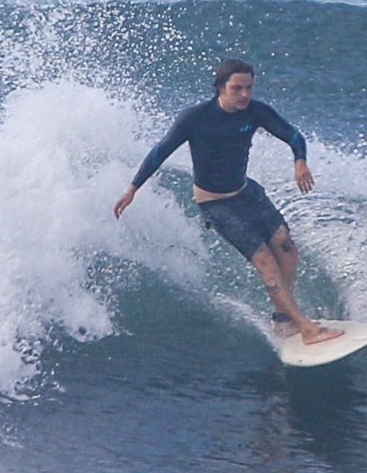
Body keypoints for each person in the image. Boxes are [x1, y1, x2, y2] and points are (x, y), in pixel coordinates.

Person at [113, 59, 342, 345]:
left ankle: (283, 321)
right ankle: (306, 328)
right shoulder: (195, 118)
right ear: (222, 87)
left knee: (287, 250)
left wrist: (300, 161)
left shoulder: (255, 112)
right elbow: (160, 151)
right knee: (266, 263)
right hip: (216, 203)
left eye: (249, 87)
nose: (245, 94)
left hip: (246, 192)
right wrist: (132, 188)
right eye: (237, 88)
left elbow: (293, 135)